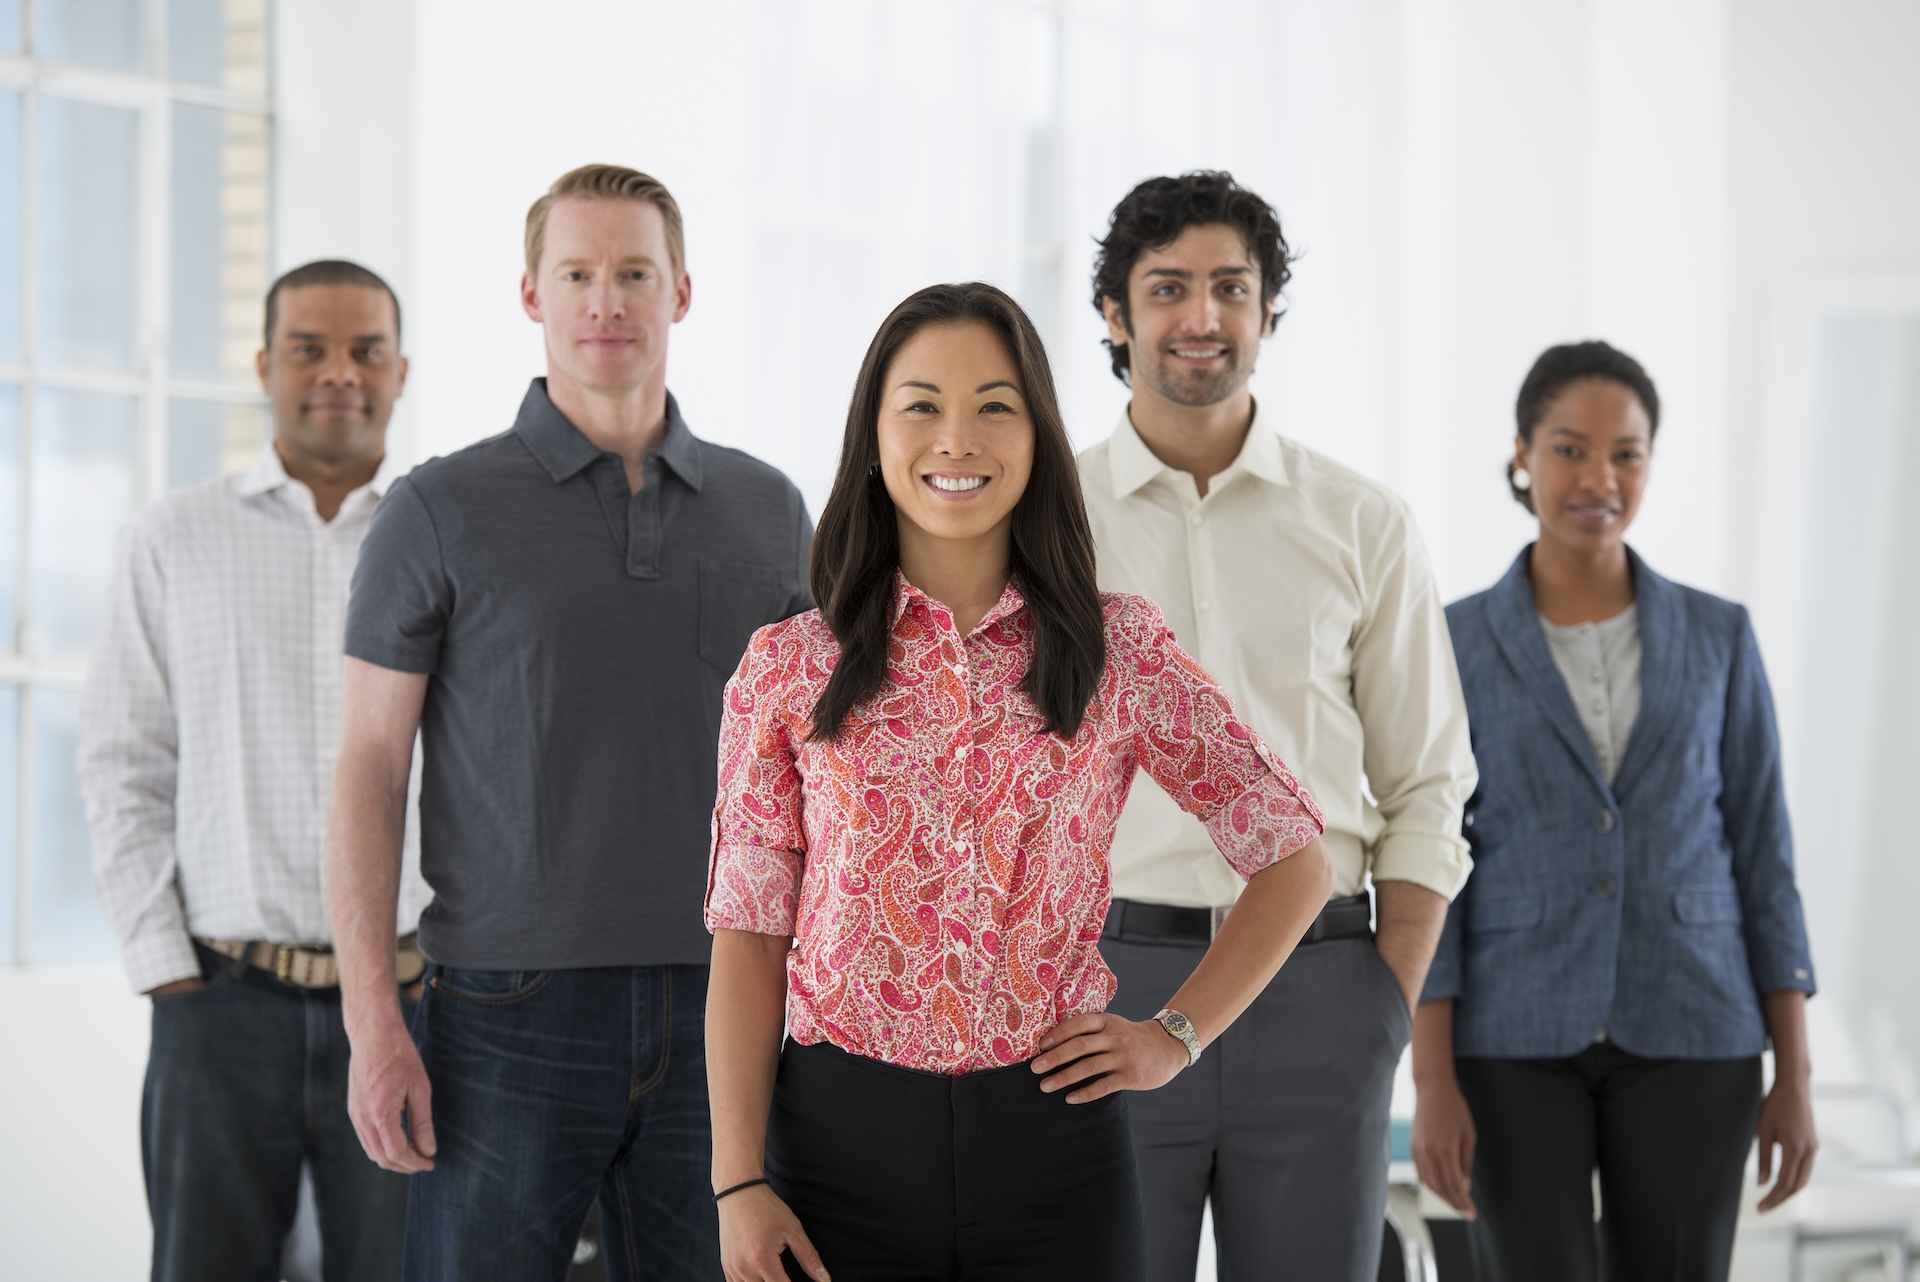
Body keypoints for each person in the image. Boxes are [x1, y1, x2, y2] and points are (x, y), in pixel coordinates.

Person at [703, 281, 1336, 1282]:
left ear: (1036, 436)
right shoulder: (788, 668)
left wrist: (1174, 1037)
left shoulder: (1114, 649)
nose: (958, 438)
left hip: (1057, 1158)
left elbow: (1296, 856)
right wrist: (738, 1183)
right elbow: (747, 936)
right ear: (873, 435)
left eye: (995, 406)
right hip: (833, 1154)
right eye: (922, 405)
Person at [328, 164, 813, 1281]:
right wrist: (373, 1020)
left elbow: (818, 765)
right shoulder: (437, 509)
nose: (607, 302)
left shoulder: (769, 506)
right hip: (507, 1008)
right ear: (531, 295)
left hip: (727, 996)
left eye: (634, 273)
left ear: (681, 293)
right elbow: (367, 764)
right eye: (579, 274)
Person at [1076, 170, 1479, 1280]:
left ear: (1265, 311)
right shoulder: (1048, 522)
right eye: (1167, 289)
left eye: (1231, 288)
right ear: (1116, 315)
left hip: (1322, 997)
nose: (1202, 317)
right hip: (1112, 979)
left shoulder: (1363, 521)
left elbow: (1428, 780)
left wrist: (1382, 993)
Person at [1410, 340, 1819, 1282]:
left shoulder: (1720, 634)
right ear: (1521, 455)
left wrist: (1793, 1074)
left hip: (1696, 1024)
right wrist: (1432, 1080)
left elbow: (1765, 856)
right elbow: (1430, 857)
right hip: (1512, 1036)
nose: (1599, 476)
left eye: (1626, 452)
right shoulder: (1454, 640)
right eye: (1568, 448)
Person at [78, 260, 428, 1282]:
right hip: (222, 1003)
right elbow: (121, 759)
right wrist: (164, 963)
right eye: (311, 348)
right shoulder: (174, 536)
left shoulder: (447, 535)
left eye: (365, 349)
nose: (339, 372)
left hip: (414, 1003)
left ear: (400, 370)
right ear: (265, 363)